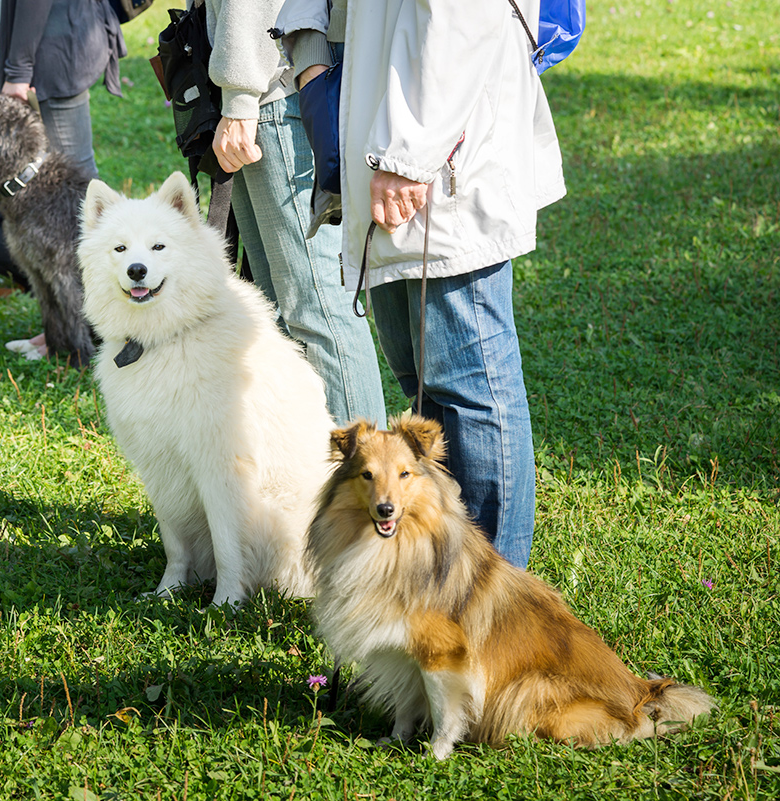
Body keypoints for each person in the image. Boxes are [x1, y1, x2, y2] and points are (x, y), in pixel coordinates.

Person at [275, 0, 567, 569]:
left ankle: (492, 600)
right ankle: (442, 581)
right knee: (427, 391)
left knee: (468, 391)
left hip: (435, 159)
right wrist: (311, 64)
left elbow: (464, 15)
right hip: (382, 156)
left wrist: (409, 155)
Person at [200, 0, 386, 427]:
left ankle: (363, 481)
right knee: (276, 312)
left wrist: (240, 97)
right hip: (264, 91)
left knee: (316, 308)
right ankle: (312, 473)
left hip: (272, 93)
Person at [0, 0, 126, 180]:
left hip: (53, 52)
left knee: (74, 177)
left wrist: (19, 71)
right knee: (68, 175)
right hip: (60, 40)